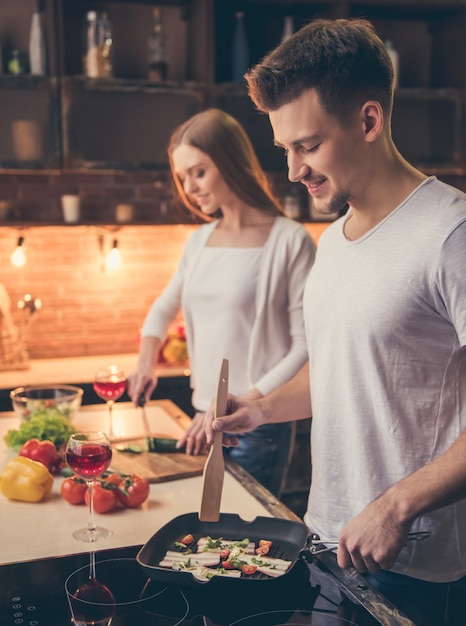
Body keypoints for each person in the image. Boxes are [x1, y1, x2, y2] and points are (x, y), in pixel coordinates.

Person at [204, 18, 466, 625]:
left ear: (369, 121)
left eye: (308, 146)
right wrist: (262, 407)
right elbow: (342, 369)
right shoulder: (334, 242)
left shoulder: (450, 234)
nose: (293, 170)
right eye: (285, 150)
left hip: (414, 566)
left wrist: (398, 505)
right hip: (326, 540)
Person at [127, 108, 316, 497]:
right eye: (183, 178)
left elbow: (304, 346)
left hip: (260, 425)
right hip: (204, 415)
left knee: (243, 538)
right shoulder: (198, 242)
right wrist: (145, 363)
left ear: (230, 161)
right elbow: (163, 308)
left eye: (198, 172)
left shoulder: (290, 241)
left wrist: (243, 404)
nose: (190, 187)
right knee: (205, 540)